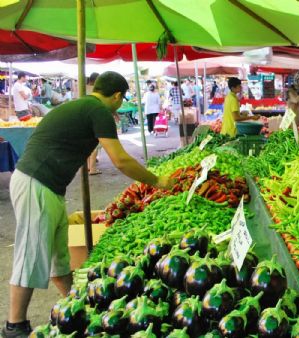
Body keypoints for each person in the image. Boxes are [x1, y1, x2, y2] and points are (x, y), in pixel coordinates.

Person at [2, 71, 174, 338]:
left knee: (59, 255)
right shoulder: (99, 111)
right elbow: (121, 160)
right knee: (31, 253)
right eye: (122, 98)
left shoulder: (82, 105)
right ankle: (15, 325)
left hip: (45, 184)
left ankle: (75, 305)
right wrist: (157, 181)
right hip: (37, 181)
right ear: (117, 96)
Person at [86, 72, 102, 176]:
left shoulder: (83, 88)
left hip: (84, 119)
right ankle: (92, 169)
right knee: (95, 145)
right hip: (93, 119)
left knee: (87, 145)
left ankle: (88, 166)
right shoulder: (96, 91)